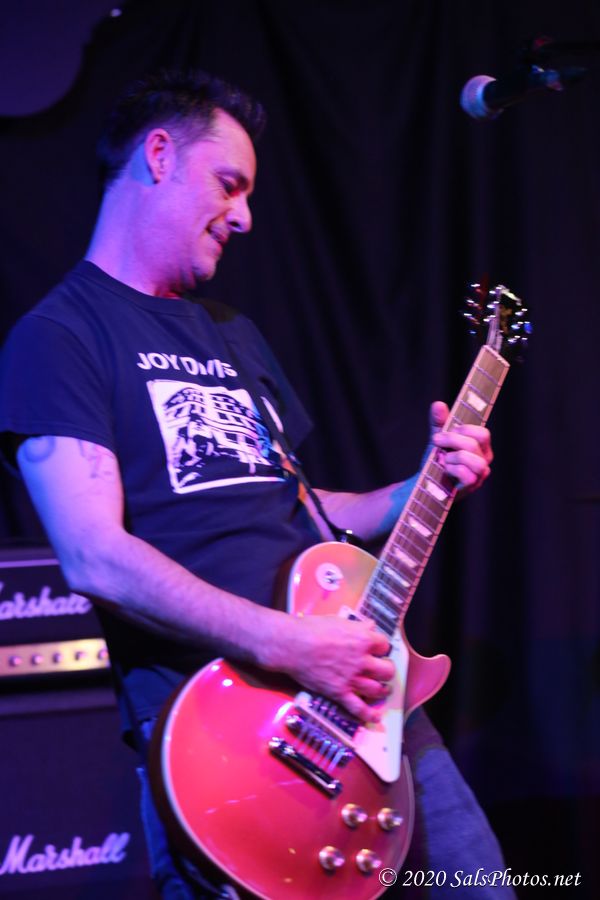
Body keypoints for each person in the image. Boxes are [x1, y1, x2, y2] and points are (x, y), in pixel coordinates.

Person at [0, 71, 514, 898]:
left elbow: (307, 509)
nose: (243, 216)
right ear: (158, 156)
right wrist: (288, 645)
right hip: (227, 720)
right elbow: (95, 556)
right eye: (228, 183)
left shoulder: (232, 332)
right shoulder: (58, 337)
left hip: (362, 694)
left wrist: (424, 481)